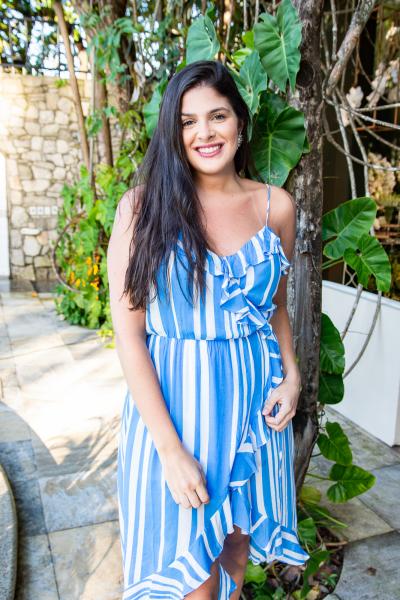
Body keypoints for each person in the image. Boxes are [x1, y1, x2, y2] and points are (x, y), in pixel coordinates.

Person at [107, 59, 309, 600]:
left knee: (236, 555)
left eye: (217, 116)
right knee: (191, 583)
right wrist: (170, 450)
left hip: (253, 415)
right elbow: (129, 335)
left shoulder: (275, 207)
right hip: (176, 417)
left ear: (240, 121)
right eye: (188, 121)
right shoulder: (142, 208)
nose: (205, 133)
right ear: (173, 132)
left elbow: (275, 307)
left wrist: (291, 376)